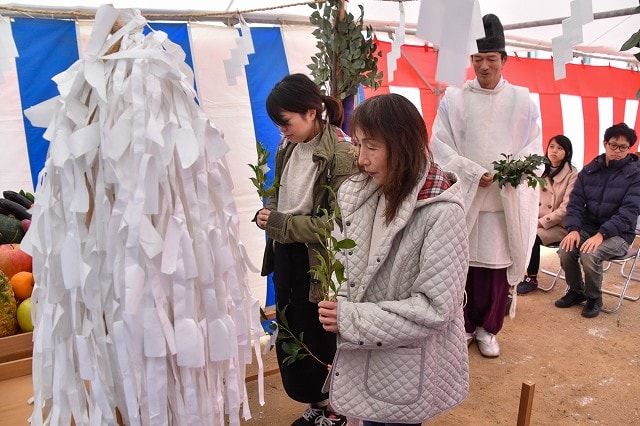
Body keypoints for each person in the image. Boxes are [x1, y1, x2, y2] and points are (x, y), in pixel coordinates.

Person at [317, 93, 470, 425]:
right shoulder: (363, 193)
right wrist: (340, 301)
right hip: (367, 346)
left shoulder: (441, 212)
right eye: (357, 145)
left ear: (404, 145)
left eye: (372, 147)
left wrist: (351, 318)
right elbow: (349, 264)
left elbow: (435, 309)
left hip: (406, 362)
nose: (361, 159)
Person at [430, 13, 542, 358]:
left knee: (493, 268)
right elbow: (439, 145)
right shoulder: (454, 99)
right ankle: (461, 325)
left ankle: (487, 329)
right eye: (478, 59)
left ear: (504, 60)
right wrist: (470, 171)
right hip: (466, 197)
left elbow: (534, 149)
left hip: (501, 202)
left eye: (491, 59)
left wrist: (508, 173)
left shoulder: (523, 101)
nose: (484, 66)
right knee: (461, 265)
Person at [254, 73, 358, 426]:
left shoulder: (341, 153)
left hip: (318, 261)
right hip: (286, 252)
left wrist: (280, 223)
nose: (282, 130)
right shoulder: (289, 147)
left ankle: (336, 410)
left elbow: (336, 226)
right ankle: (316, 403)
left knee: (318, 334)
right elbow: (279, 191)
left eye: (286, 121)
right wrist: (268, 211)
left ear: (311, 112)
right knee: (291, 328)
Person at [555, 123, 640, 318]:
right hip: (588, 227)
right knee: (566, 249)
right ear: (605, 144)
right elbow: (575, 203)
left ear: (630, 148)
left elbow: (629, 212)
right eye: (613, 145)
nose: (617, 151)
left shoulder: (636, 174)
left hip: (619, 234)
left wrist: (602, 234)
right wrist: (574, 229)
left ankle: (594, 297)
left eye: (623, 147)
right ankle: (577, 291)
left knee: (590, 253)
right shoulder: (590, 169)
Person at [517, 135, 578, 294]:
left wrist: (541, 222)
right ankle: (514, 273)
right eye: (552, 147)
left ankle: (531, 278)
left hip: (558, 225)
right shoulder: (538, 169)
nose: (554, 151)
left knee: (533, 235)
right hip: (536, 219)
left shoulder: (573, 174)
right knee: (514, 230)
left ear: (568, 153)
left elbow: (566, 208)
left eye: (559, 148)